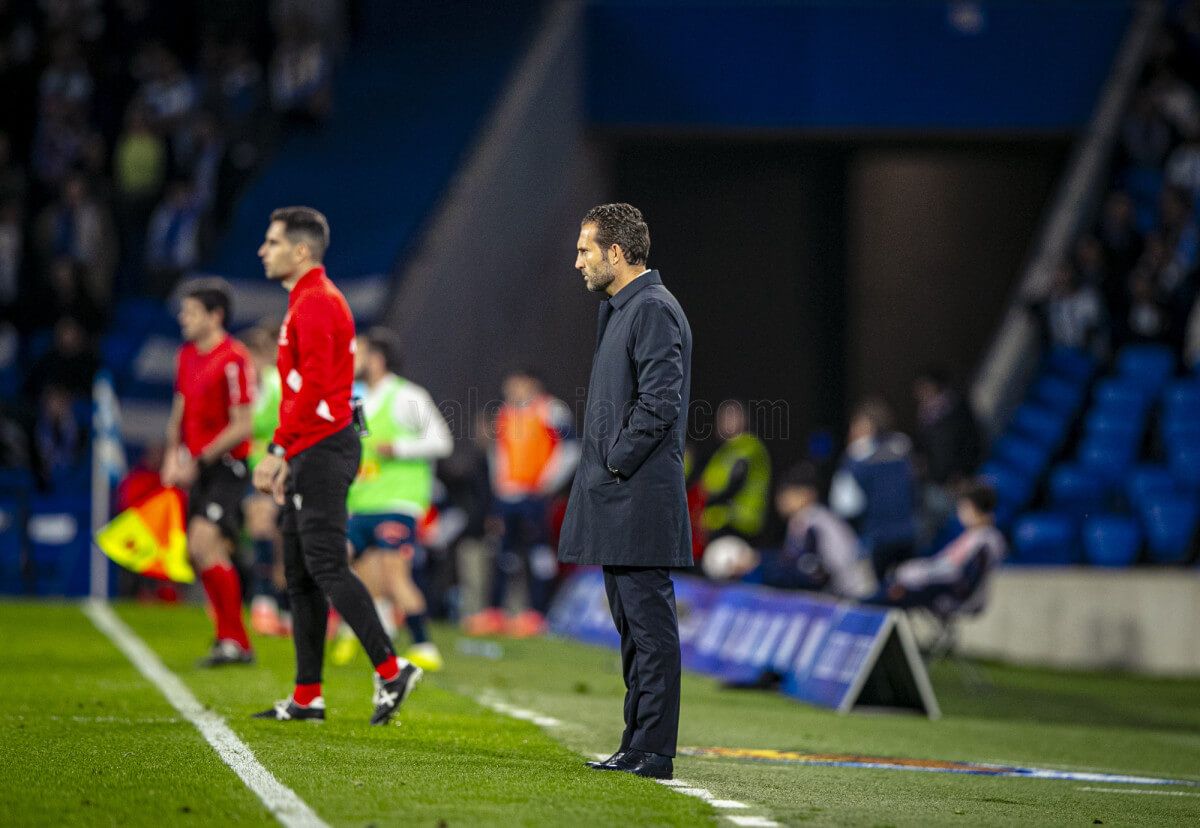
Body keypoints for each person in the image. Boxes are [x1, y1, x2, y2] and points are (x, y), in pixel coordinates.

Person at [250, 206, 420, 725]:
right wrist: (286, 446)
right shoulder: (306, 302)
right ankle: (307, 696)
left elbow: (322, 391)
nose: (263, 250)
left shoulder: (317, 304)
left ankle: (392, 670)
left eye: (273, 242)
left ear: (300, 251)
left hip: (322, 448)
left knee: (324, 565)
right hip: (313, 445)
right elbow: (304, 392)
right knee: (301, 573)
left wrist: (280, 451)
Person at [560, 203, 692, 781]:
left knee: (649, 631)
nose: (578, 261)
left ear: (616, 253)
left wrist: (615, 462)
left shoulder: (654, 309)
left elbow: (660, 401)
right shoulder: (624, 309)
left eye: (586, 249)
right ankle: (636, 745)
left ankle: (654, 751)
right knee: (633, 634)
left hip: (638, 497)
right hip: (622, 497)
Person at [331, 328, 453, 672]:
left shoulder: (407, 397)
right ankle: (359, 632)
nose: (352, 359)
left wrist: (398, 448)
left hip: (398, 503)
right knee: (346, 568)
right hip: (361, 503)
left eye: (360, 353)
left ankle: (424, 646)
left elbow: (442, 441)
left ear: (377, 359)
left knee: (394, 576)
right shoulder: (354, 399)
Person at [160, 278, 256, 667]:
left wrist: (197, 459)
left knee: (204, 544)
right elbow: (179, 411)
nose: (183, 318)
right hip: (197, 466)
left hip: (226, 466)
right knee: (204, 551)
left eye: (191, 311)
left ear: (215, 316)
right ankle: (230, 640)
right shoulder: (185, 356)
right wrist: (171, 454)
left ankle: (235, 640)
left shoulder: (234, 358)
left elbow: (242, 424)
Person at [463, 369, 577, 637]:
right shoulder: (506, 413)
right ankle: (495, 612)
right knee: (503, 553)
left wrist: (548, 481)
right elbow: (499, 452)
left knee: (538, 554)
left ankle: (537, 613)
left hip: (534, 496)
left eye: (516, 385)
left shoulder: (550, 410)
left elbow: (571, 448)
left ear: (531, 384)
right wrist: (499, 487)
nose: (511, 391)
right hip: (508, 495)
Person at [703, 463, 872, 599]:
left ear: (807, 494)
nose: (781, 499)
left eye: (788, 493)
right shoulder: (809, 518)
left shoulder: (813, 520)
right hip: (842, 591)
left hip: (853, 596)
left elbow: (811, 572)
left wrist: (757, 562)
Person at [864, 480, 1006, 614]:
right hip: (944, 586)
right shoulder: (977, 536)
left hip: (950, 594)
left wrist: (916, 574)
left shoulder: (984, 540)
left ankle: (864, 604)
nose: (960, 513)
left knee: (893, 591)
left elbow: (954, 574)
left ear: (973, 508)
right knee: (895, 582)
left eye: (962, 508)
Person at [831, 398, 918, 583]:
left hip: (877, 536)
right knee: (903, 591)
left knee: (878, 596)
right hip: (909, 532)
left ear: (865, 425)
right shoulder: (903, 445)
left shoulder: (857, 454)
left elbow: (845, 506)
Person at [242, 322, 288, 637]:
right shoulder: (267, 385)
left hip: (273, 471)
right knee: (270, 536)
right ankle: (270, 604)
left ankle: (267, 603)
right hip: (262, 469)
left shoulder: (274, 383)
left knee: (269, 535)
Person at [698, 399, 771, 542]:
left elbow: (733, 483)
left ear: (744, 420)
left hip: (742, 522)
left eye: (732, 417)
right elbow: (706, 484)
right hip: (721, 520)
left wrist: (706, 498)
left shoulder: (749, 445)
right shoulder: (723, 451)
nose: (726, 422)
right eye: (723, 418)